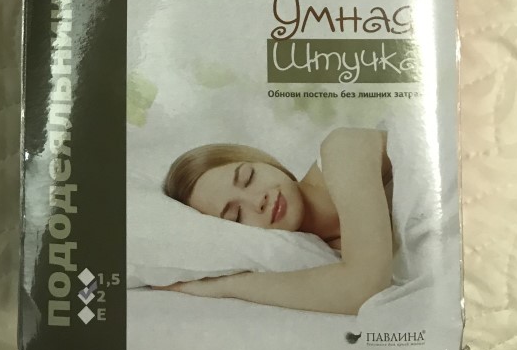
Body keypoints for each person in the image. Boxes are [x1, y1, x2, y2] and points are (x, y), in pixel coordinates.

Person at [159, 127, 394, 315]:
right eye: (236, 215)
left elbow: (364, 287)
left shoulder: (343, 148)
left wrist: (224, 285)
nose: (257, 201)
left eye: (248, 177)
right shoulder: (322, 257)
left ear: (261, 162)